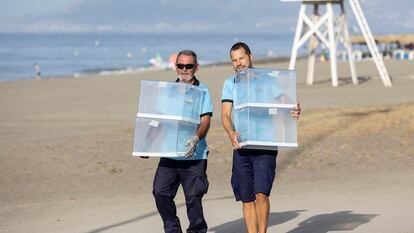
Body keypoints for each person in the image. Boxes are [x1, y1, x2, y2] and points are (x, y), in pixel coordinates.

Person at [221, 42, 301, 233]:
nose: (239, 63)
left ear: (250, 56)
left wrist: (295, 109)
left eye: (241, 58)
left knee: (261, 194)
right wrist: (231, 132)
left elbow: (286, 103)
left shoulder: (267, 80)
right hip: (242, 145)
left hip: (266, 143)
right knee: (247, 197)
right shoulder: (229, 83)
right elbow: (225, 114)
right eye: (234, 60)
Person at [152, 50, 213, 233]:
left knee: (193, 198)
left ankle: (197, 229)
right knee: (160, 193)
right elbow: (157, 121)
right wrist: (148, 144)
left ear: (196, 67)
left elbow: (205, 121)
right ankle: (172, 230)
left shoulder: (203, 91)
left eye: (189, 66)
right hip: (169, 154)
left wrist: (196, 138)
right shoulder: (167, 92)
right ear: (175, 67)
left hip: (194, 156)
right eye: (181, 66)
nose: (184, 69)